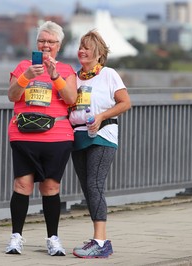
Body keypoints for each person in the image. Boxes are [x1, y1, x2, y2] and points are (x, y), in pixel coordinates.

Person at [5, 21, 77, 256]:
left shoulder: (66, 70)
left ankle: (53, 239)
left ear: (59, 45)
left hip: (57, 136)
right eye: (42, 41)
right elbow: (12, 95)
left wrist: (55, 75)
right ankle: (16, 238)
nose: (45, 45)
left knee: (51, 186)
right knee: (22, 185)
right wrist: (26, 76)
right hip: (24, 135)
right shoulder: (24, 66)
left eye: (51, 41)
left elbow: (71, 99)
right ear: (36, 43)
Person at [69, 29, 131, 259]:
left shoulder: (109, 74)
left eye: (88, 48)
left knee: (95, 184)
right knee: (88, 188)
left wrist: (102, 116)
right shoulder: (73, 78)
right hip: (78, 137)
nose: (82, 51)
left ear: (98, 54)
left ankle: (101, 242)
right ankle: (98, 239)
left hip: (103, 136)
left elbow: (125, 103)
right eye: (81, 47)